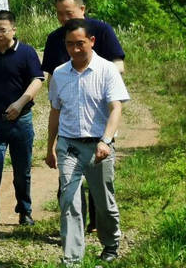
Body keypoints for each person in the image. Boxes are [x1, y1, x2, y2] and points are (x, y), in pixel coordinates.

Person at [46, 18, 129, 265]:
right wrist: (50, 146)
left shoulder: (107, 70)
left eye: (80, 43)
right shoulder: (60, 74)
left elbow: (116, 108)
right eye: (69, 44)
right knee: (69, 201)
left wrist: (105, 140)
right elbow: (55, 111)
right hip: (69, 145)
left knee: (103, 202)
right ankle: (72, 258)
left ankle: (110, 243)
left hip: (99, 147)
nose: (75, 49)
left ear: (91, 41)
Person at [0, 10, 44, 235]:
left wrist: (20, 103)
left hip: (21, 122)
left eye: (2, 30)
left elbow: (38, 80)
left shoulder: (26, 53)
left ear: (13, 30)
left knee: (22, 170)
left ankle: (24, 210)